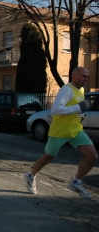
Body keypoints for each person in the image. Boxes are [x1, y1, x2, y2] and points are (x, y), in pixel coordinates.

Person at [24, 67, 98, 198]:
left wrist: (80, 116)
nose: (86, 79)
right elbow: (56, 110)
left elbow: (78, 109)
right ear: (74, 76)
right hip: (59, 131)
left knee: (92, 156)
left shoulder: (80, 90)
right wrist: (78, 107)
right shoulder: (66, 90)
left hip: (75, 131)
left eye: (87, 76)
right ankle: (31, 176)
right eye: (84, 76)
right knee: (48, 158)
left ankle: (76, 182)